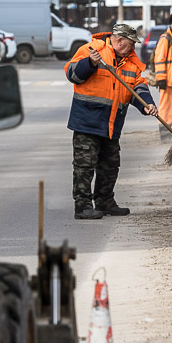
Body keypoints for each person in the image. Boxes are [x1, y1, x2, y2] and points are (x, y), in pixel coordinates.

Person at [64, 22, 158, 220]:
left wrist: (146, 105)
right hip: (87, 121)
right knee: (84, 166)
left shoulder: (130, 61)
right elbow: (71, 74)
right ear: (118, 40)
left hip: (112, 123)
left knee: (110, 165)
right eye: (130, 43)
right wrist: (89, 63)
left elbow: (137, 87)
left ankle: (105, 201)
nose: (133, 48)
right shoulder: (92, 50)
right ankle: (82, 206)